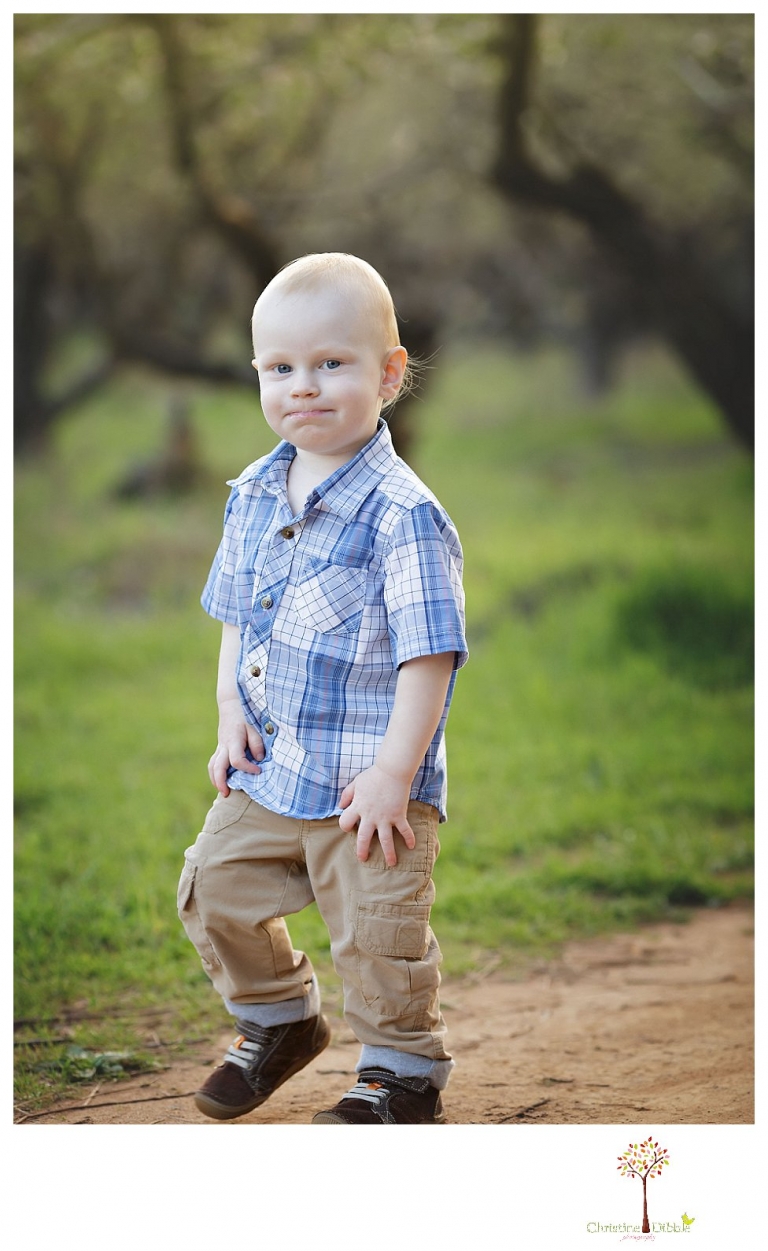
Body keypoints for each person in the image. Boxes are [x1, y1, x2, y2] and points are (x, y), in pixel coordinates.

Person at [178, 252, 468, 1124]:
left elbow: (431, 657)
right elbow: (237, 616)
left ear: (389, 373)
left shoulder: (404, 514)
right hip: (274, 762)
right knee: (212, 887)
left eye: (330, 364)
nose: (302, 387)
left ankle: (401, 1073)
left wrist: (394, 775)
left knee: (379, 931)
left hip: (369, 782)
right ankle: (277, 1019)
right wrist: (231, 711)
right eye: (280, 368)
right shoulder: (254, 493)